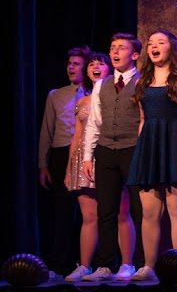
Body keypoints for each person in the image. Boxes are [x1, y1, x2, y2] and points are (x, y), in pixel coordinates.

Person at [122, 30, 177, 281]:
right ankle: (148, 266)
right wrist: (140, 153)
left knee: (176, 207)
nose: (154, 46)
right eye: (150, 43)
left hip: (176, 143)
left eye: (161, 42)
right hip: (150, 145)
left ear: (171, 48)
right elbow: (143, 120)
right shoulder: (141, 82)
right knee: (148, 211)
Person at [64, 53, 136, 281]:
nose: (96, 67)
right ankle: (86, 265)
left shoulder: (116, 93)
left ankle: (126, 263)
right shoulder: (82, 101)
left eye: (100, 63)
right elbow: (77, 136)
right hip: (84, 157)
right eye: (92, 64)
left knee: (121, 212)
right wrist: (69, 168)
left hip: (109, 151)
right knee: (90, 216)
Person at [81, 33, 145, 281]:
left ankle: (137, 264)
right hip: (106, 150)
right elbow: (94, 124)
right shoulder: (101, 85)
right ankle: (106, 264)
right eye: (112, 48)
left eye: (121, 48)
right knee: (105, 210)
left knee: (138, 210)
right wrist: (88, 157)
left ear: (135, 55)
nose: (115, 52)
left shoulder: (143, 82)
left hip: (133, 150)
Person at [39, 46, 90, 276]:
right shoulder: (56, 95)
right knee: (62, 211)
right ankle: (59, 263)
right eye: (69, 63)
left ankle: (90, 263)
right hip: (61, 155)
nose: (71, 67)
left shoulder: (95, 93)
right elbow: (46, 131)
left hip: (88, 154)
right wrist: (43, 164)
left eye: (76, 63)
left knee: (89, 212)